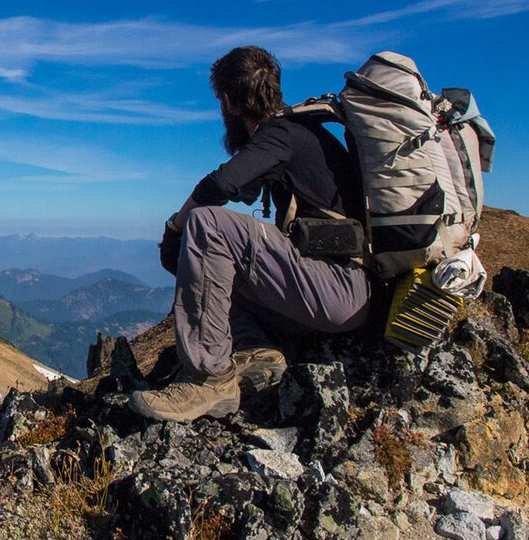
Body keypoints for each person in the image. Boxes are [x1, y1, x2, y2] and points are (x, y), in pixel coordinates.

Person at [129, 46, 372, 422]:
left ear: (229, 102)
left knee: (207, 226)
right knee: (222, 258)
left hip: (340, 289)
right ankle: (260, 351)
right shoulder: (301, 133)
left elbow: (222, 184)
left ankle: (209, 380)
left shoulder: (282, 134)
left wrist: (177, 225)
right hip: (341, 292)